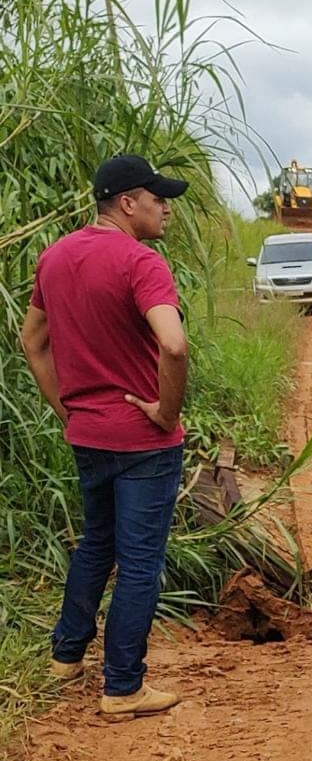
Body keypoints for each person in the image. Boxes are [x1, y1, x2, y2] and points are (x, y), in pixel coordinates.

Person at [20, 154, 191, 717]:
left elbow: (32, 341)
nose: (165, 207)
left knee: (97, 542)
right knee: (140, 561)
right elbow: (173, 345)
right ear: (126, 202)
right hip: (143, 440)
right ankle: (123, 686)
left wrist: (67, 407)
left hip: (88, 433)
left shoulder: (55, 257)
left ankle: (65, 656)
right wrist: (166, 413)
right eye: (157, 197)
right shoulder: (141, 262)